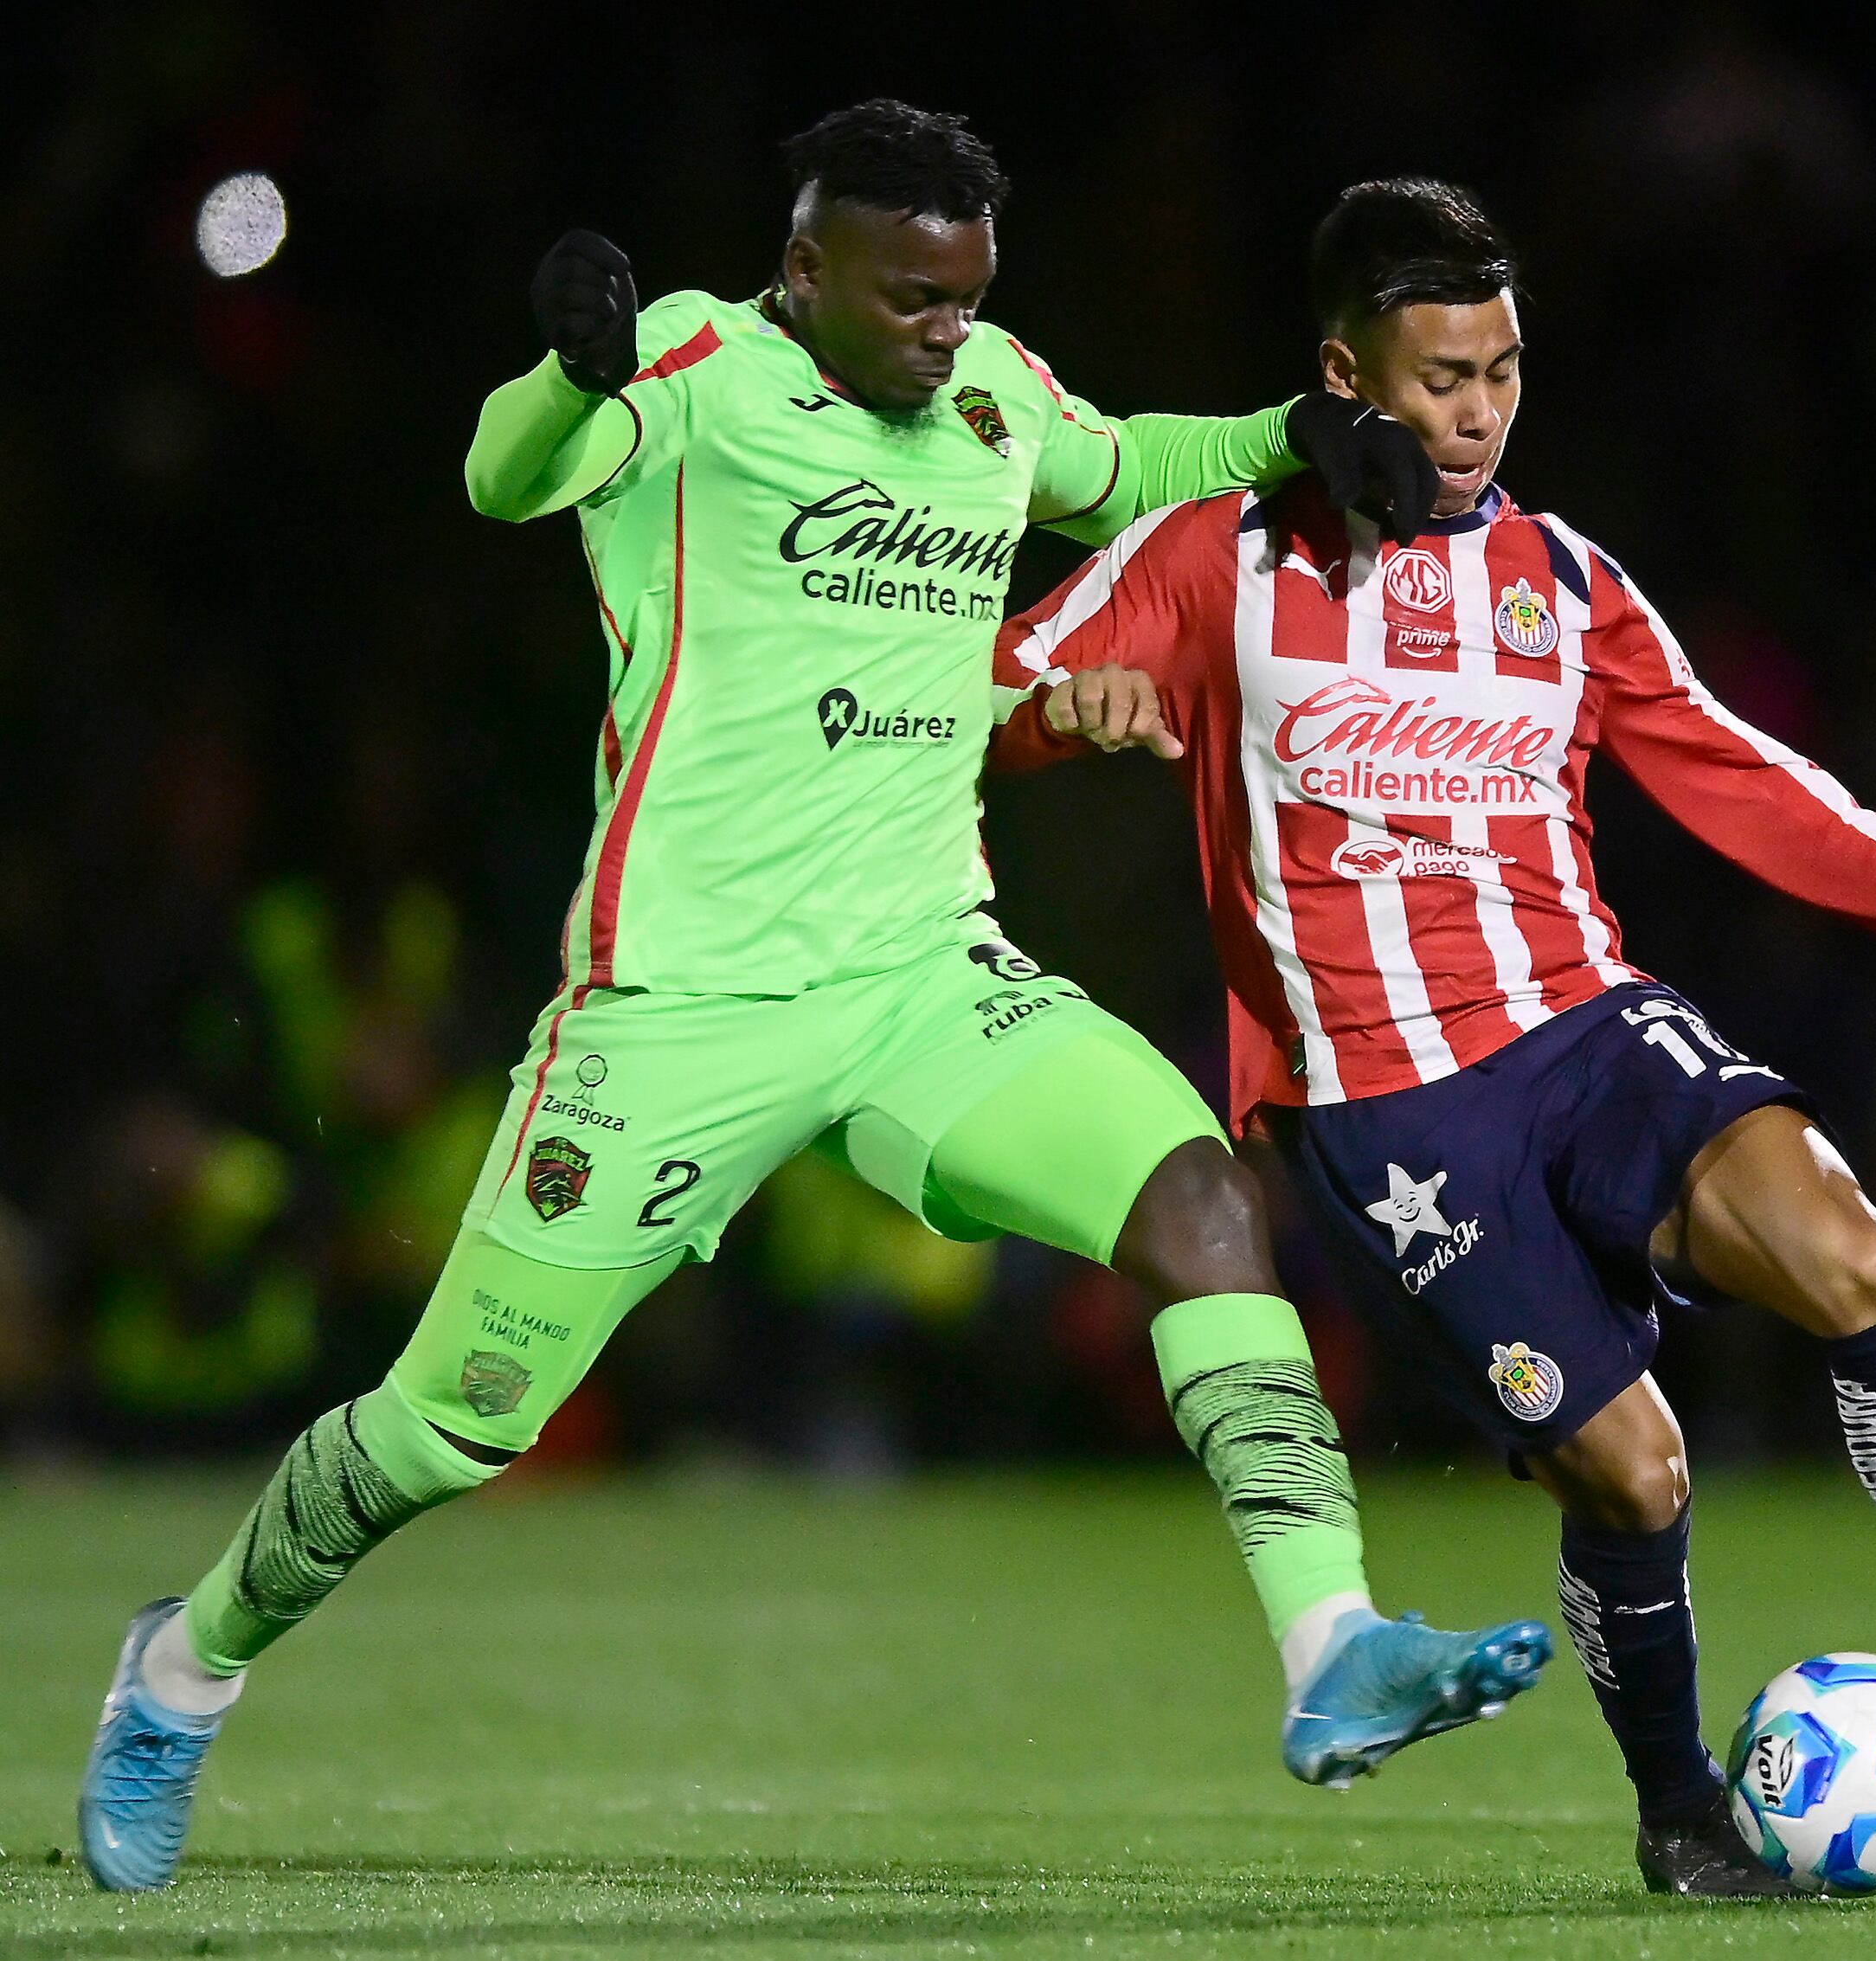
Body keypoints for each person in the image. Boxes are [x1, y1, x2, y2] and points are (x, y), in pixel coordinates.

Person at [76, 109, 1549, 1896]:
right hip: (681, 1004)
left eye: (967, 297)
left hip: (920, 969)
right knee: (446, 1423)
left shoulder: (992, 389)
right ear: (807, 274)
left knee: (1196, 1195)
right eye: (914, 299)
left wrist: (1286, 437)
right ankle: (182, 1664)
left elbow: (1113, 463)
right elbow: (501, 474)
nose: (946, 331)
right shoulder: (693, 364)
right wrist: (571, 368)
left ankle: (1333, 1647)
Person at [989, 178, 1876, 1897]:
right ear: (1340, 375)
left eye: (1498, 368)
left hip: (1585, 1029)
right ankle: (1676, 1813)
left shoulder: (1556, 580)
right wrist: (1061, 708)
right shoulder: (1216, 560)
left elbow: (1734, 771)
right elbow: (962, 700)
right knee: (1634, 1470)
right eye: (1437, 377)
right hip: (1387, 1109)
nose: (1477, 409)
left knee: (1850, 1255)